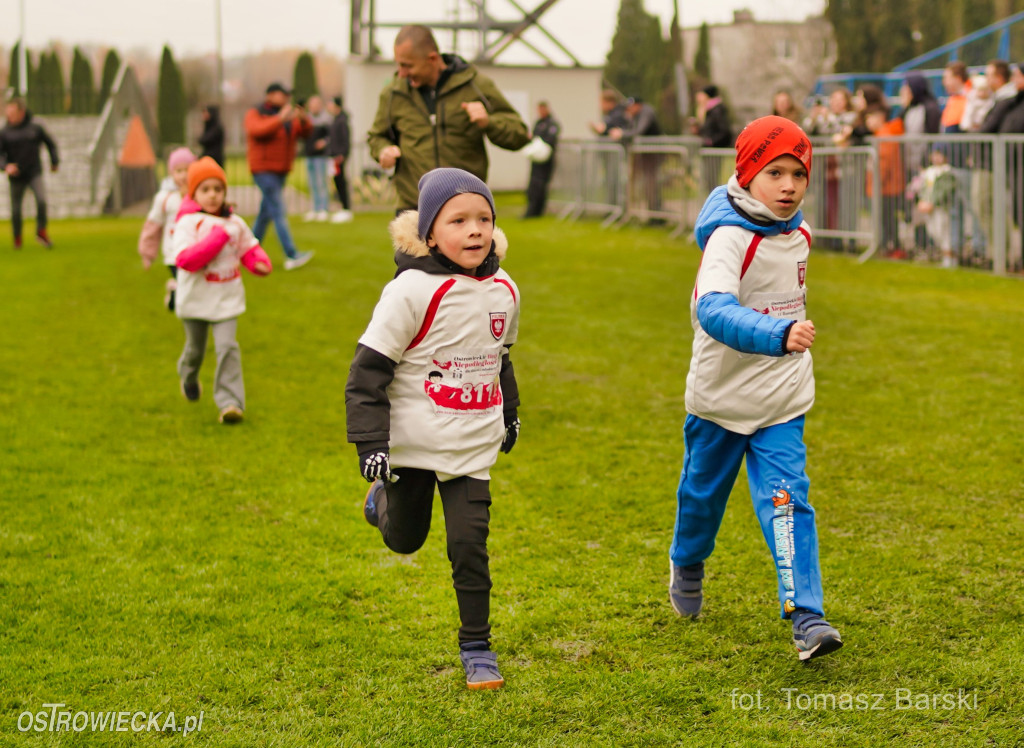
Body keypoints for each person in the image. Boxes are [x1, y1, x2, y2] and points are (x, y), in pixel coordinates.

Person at [668, 115, 843, 662]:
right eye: (775, 173)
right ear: (746, 175)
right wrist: (778, 332)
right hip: (720, 401)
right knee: (701, 501)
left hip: (782, 402)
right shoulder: (728, 238)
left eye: (798, 174)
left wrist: (786, 343)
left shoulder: (801, 234)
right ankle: (688, 561)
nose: (789, 186)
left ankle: (807, 617)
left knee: (788, 503)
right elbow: (712, 309)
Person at [345, 168, 522, 690]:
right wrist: (372, 445)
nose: (475, 230)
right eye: (459, 220)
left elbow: (500, 359)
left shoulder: (505, 289)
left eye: (484, 219)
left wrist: (509, 412)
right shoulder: (409, 293)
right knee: (405, 539)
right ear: (428, 234)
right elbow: (366, 374)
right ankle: (382, 504)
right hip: (413, 448)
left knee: (470, 546)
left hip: (471, 446)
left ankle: (478, 648)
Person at [367, 24, 530, 213]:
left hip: (466, 210)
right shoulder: (393, 93)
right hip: (413, 210)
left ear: (432, 59)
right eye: (398, 64)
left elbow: (520, 133)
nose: (401, 73)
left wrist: (489, 122)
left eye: (407, 65)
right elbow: (376, 137)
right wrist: (382, 150)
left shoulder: (475, 85)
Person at [172, 157, 272, 424]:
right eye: (206, 189)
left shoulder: (235, 223)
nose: (213, 195)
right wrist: (215, 240)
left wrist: (258, 262)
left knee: (227, 347)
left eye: (218, 189)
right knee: (195, 350)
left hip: (226, 298)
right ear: (194, 193)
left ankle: (230, 402)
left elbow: (248, 247)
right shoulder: (187, 223)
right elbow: (185, 260)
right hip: (195, 300)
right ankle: (189, 376)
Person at [244, 82, 314, 270]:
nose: (286, 98)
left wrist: (303, 118)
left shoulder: (287, 116)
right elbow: (257, 130)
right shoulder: (257, 112)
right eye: (282, 94)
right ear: (271, 95)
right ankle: (291, 254)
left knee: (264, 215)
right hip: (263, 170)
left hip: (281, 171)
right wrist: (279, 119)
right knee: (277, 210)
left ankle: (246, 251)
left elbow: (306, 132)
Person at [138, 147, 196, 311]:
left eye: (187, 170)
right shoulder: (164, 198)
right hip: (173, 253)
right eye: (179, 171)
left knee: (190, 286)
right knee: (186, 286)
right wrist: (147, 253)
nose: (183, 175)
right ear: (171, 173)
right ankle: (177, 297)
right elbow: (152, 226)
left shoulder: (198, 194)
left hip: (193, 250)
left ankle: (174, 292)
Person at [0, 97, 59, 249]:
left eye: (12, 112)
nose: (9, 115)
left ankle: (41, 232)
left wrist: (54, 161)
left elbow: (50, 144)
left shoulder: (35, 128)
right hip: (16, 177)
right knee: (16, 210)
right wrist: (6, 166)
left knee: (41, 201)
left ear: (21, 112)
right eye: (8, 112)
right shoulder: (5, 132)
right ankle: (17, 239)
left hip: (34, 172)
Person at [908, 145, 958, 268]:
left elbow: (944, 190)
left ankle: (950, 257)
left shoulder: (947, 172)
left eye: (939, 155)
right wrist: (922, 200)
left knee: (943, 231)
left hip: (941, 207)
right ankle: (944, 255)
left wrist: (932, 203)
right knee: (933, 230)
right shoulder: (929, 172)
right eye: (934, 154)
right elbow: (924, 188)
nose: (936, 158)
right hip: (928, 207)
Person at [523, 101, 560, 218]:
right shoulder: (538, 123)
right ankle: (531, 210)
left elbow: (550, 140)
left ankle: (538, 211)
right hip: (536, 159)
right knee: (533, 185)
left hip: (546, 160)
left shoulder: (552, 124)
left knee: (541, 185)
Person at [302, 94, 332, 222]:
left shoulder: (326, 119)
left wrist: (324, 142)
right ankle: (315, 208)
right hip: (309, 155)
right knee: (312, 184)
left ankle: (323, 209)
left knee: (321, 183)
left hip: (321, 156)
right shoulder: (307, 119)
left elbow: (331, 136)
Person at [327, 95, 353, 224]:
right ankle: (343, 207)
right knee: (337, 181)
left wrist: (342, 154)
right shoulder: (336, 119)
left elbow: (345, 139)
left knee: (341, 181)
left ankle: (346, 208)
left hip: (339, 157)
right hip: (334, 156)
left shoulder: (342, 121)